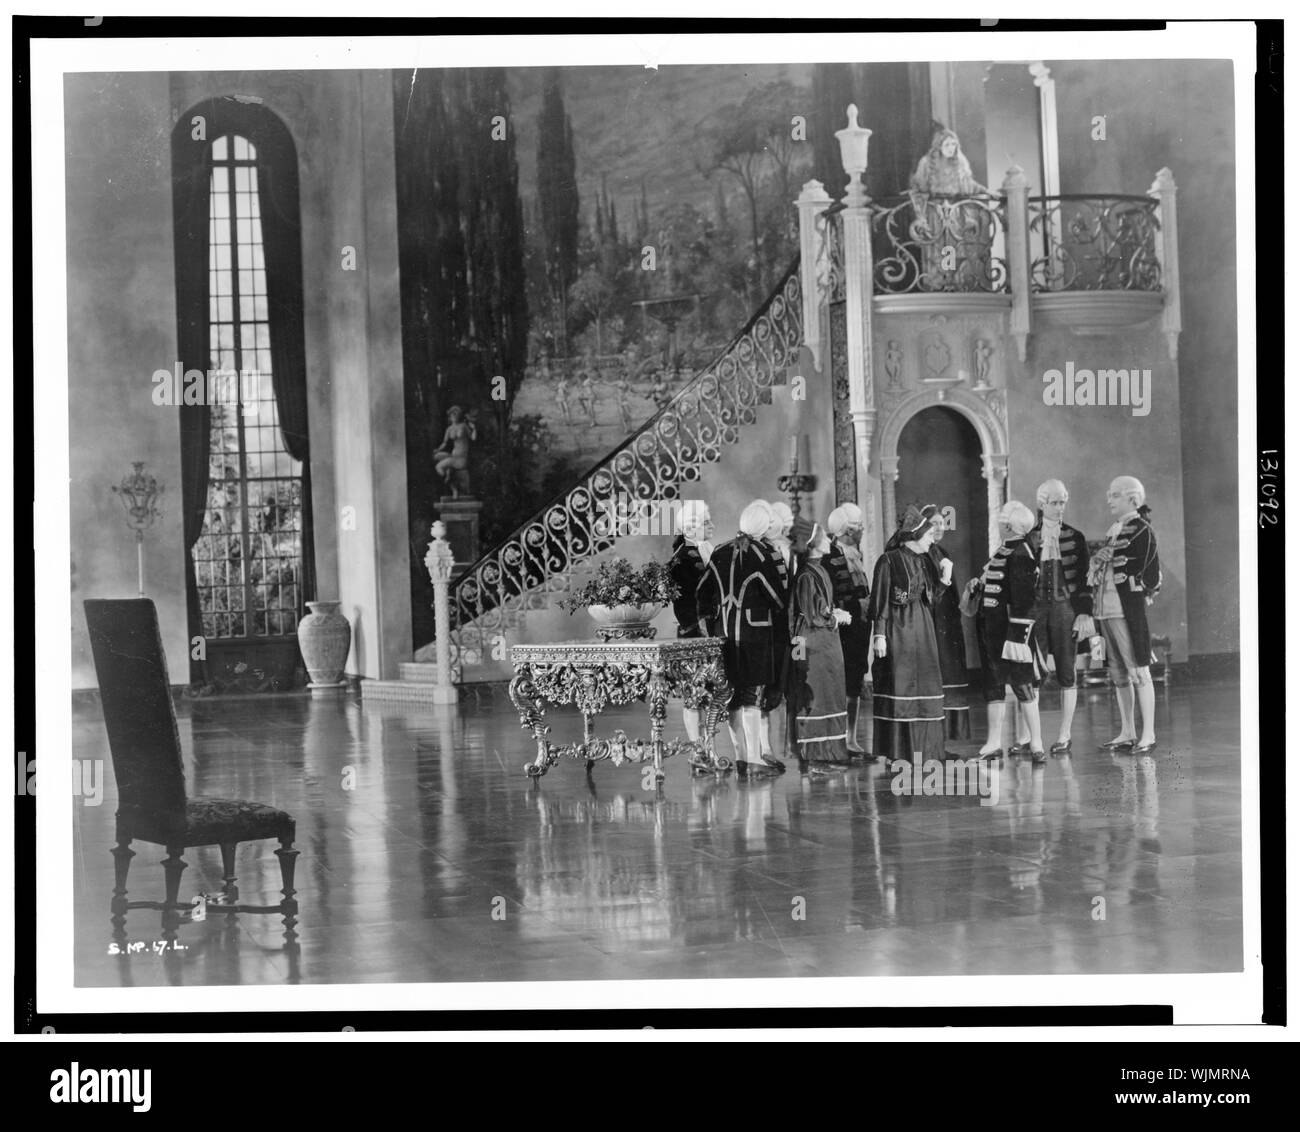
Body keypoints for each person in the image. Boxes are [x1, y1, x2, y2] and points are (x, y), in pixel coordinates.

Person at [696, 499, 787, 777]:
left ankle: (741, 758)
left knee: (732, 697)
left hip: (723, 634)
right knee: (750, 697)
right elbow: (778, 598)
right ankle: (757, 761)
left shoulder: (721, 551)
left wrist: (709, 625)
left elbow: (701, 592)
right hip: (755, 635)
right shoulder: (762, 555)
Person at [867, 503, 947, 764]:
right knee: (900, 685)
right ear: (914, 537)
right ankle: (898, 753)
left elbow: (931, 599)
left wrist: (944, 579)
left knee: (925, 682)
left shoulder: (924, 561)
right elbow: (879, 599)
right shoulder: (888, 560)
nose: (931, 540)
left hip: (922, 629)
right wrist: (879, 635)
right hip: (898, 630)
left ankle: (925, 751)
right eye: (927, 536)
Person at [967, 501, 1046, 763]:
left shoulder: (1021, 552)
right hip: (993, 629)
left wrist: (1018, 637)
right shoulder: (1004, 550)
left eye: (1002, 520)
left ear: (1010, 525)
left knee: (1023, 684)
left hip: (1012, 633)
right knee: (994, 685)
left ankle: (1036, 742)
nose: (1000, 524)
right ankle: (993, 742)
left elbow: (1025, 600)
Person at [1087, 476, 1162, 753]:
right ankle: (1128, 731)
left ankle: (1149, 734)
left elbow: (1152, 573)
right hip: (1104, 610)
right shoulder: (1114, 530)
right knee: (1119, 673)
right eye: (1109, 494)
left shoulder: (1142, 529)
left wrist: (1140, 591)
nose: (1109, 499)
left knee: (1138, 669)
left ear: (1133, 499)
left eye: (1115, 495)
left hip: (1125, 610)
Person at [1024, 479, 1096, 753]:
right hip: (1036, 611)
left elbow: (1086, 577)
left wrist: (1084, 612)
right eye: (1054, 502)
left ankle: (1064, 735)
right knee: (1032, 672)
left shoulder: (1075, 537)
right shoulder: (1029, 538)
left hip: (1065, 608)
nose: (1059, 507)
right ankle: (1032, 738)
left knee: (1068, 671)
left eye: (1062, 501)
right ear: (1042, 505)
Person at [789, 523, 852, 768]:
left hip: (825, 640)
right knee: (818, 695)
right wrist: (836, 617)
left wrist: (833, 612)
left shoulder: (819, 570)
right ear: (812, 544)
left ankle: (831, 753)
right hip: (813, 642)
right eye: (824, 536)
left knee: (830, 692)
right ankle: (815, 756)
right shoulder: (806, 574)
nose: (828, 540)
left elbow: (820, 607)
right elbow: (813, 615)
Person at [824, 504, 872, 754]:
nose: (862, 532)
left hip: (859, 630)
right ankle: (838, 740)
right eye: (858, 528)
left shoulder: (856, 553)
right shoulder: (829, 557)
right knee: (841, 684)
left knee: (854, 682)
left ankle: (851, 740)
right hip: (841, 632)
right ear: (846, 532)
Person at [669, 499, 715, 746]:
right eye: (707, 522)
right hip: (694, 633)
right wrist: (698, 625)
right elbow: (685, 602)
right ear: (691, 526)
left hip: (709, 632)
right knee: (693, 692)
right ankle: (698, 748)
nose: (712, 526)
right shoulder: (683, 558)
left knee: (708, 690)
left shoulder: (705, 549)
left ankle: (707, 745)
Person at [923, 509, 971, 741]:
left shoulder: (941, 551)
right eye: (934, 523)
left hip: (946, 622)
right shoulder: (922, 555)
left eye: (942, 523)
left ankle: (946, 737)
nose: (940, 527)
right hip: (932, 623)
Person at [433, 405, 476, 499]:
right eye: (452, 414)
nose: (454, 416)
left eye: (456, 414)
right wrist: (438, 450)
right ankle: (451, 480)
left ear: (459, 415)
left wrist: (474, 428)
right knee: (436, 457)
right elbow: (444, 443)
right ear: (450, 416)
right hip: (453, 456)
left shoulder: (463, 426)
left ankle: (453, 484)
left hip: (461, 458)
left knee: (439, 466)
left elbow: (473, 438)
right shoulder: (449, 429)